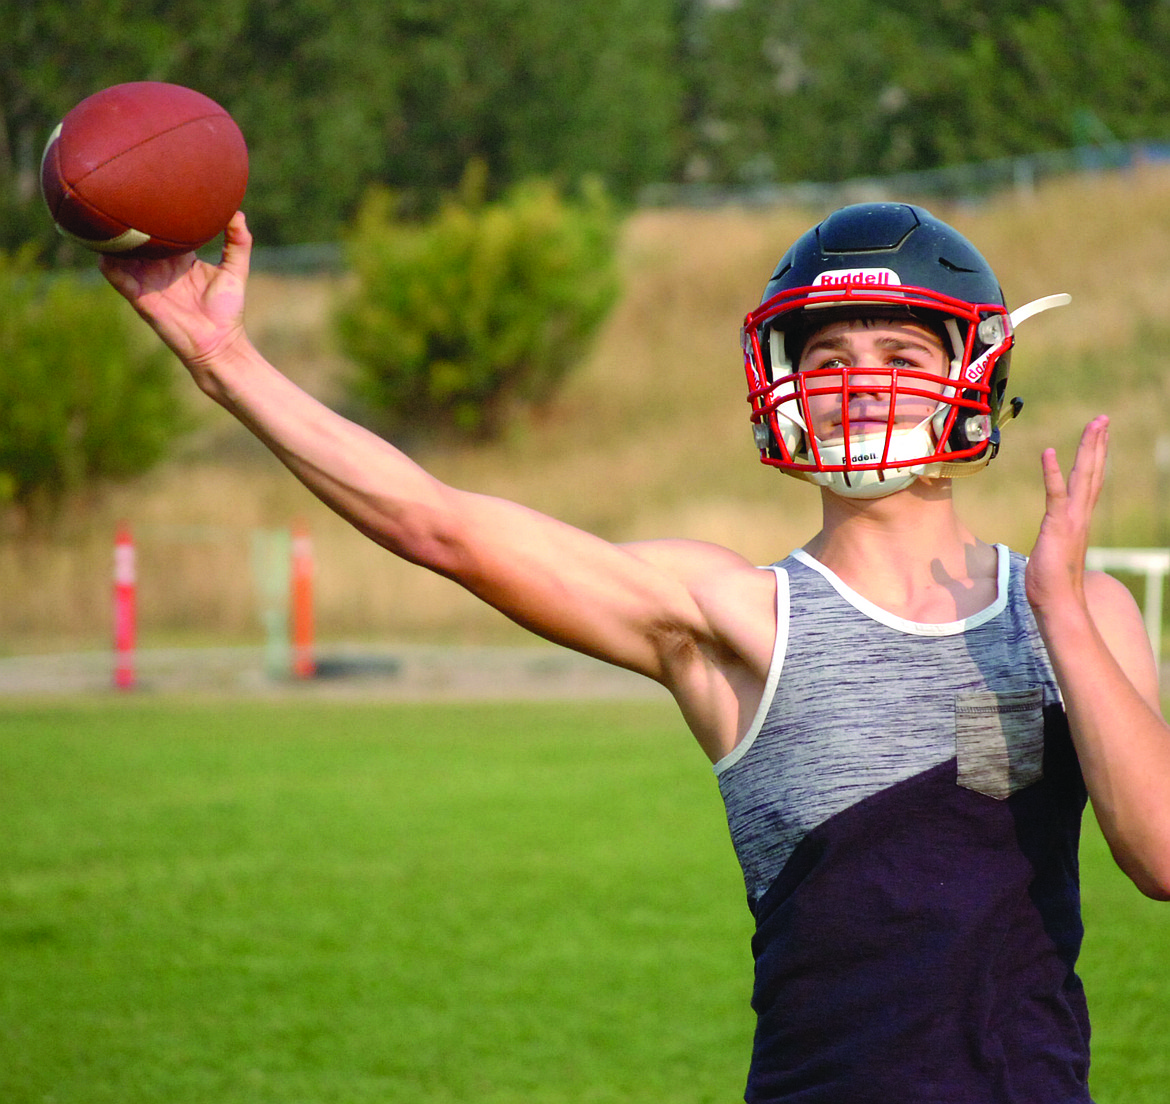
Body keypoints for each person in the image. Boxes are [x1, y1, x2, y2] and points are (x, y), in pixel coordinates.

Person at [100, 201, 1170, 1103]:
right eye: (828, 355)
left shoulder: (1078, 609)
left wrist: (1062, 616)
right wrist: (220, 355)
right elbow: (441, 524)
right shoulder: (733, 618)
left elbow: (1158, 859)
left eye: (899, 353)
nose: (858, 383)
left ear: (974, 372)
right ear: (780, 377)